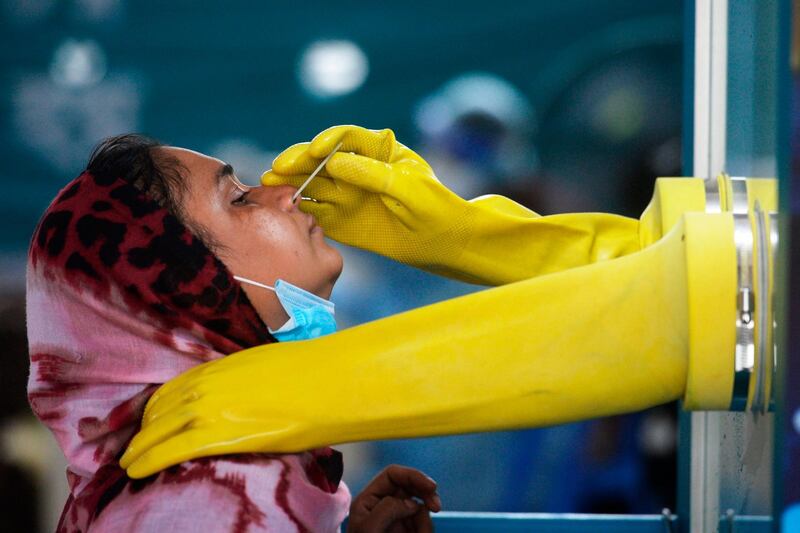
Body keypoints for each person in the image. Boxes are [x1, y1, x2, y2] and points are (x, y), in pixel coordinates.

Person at [26, 133, 441, 532]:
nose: (287, 194)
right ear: (186, 287)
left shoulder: (206, 470)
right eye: (240, 199)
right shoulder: (217, 495)